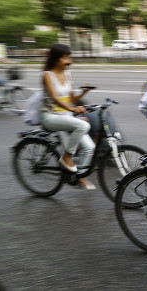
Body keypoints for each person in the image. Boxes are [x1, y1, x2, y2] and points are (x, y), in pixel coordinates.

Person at [40, 43, 96, 190]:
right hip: (50, 116)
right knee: (83, 125)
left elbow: (72, 99)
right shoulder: (48, 75)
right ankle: (66, 157)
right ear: (56, 59)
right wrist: (73, 109)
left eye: (69, 57)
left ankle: (80, 177)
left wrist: (83, 92)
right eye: (65, 57)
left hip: (66, 116)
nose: (69, 61)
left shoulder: (68, 74)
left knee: (89, 147)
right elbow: (54, 98)